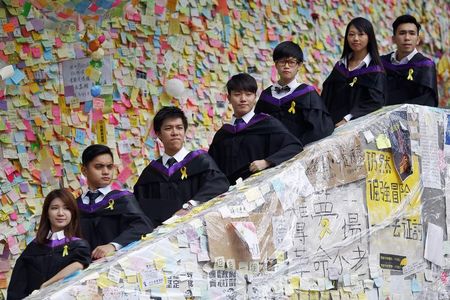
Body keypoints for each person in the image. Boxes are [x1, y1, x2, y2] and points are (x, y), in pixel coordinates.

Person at [134, 107, 229, 227]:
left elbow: (219, 185)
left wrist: (190, 206)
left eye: (179, 128)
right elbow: (141, 210)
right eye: (168, 128)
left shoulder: (201, 162)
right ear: (158, 134)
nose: (175, 133)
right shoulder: (150, 174)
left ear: (184, 131)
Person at [208, 73, 303, 185]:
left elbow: (294, 146)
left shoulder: (268, 124)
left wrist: (267, 162)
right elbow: (212, 172)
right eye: (237, 94)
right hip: (229, 197)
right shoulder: (223, 135)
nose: (243, 99)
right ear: (228, 98)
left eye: (248, 94)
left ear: (255, 97)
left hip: (261, 191)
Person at [8, 189, 91, 299]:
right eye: (54, 208)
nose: (60, 213)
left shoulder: (79, 245)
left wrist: (46, 285)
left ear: (73, 213)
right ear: (47, 213)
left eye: (67, 208)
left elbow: (78, 266)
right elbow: (17, 285)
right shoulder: (34, 247)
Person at [78, 144, 153, 260]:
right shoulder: (74, 206)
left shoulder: (122, 199)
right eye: (99, 167)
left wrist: (113, 245)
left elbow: (143, 226)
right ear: (84, 170)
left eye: (109, 167)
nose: (106, 172)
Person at [255, 41, 334, 145]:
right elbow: (257, 128)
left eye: (291, 62)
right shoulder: (266, 96)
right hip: (270, 154)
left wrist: (296, 145)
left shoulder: (308, 94)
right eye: (282, 61)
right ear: (276, 64)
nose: (286, 66)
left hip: (300, 152)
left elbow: (321, 129)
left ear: (299, 65)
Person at [321, 17, 386, 127]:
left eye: (361, 34)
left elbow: (375, 102)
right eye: (351, 34)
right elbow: (326, 96)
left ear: (369, 38)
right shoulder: (340, 66)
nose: (355, 38)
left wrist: (348, 119)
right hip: (330, 126)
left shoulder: (375, 71)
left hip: (357, 128)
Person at [381, 14, 438, 107]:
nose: (407, 38)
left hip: (412, 119)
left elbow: (427, 101)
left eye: (412, 33)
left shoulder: (425, 66)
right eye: (402, 33)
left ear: (418, 39)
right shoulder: (382, 63)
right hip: (380, 118)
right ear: (393, 39)